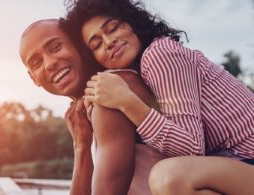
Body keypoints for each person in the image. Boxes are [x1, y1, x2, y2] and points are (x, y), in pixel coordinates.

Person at [61, 0, 254, 194]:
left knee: (166, 177)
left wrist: (127, 101)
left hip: (248, 155)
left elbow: (192, 150)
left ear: (131, 23)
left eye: (113, 28)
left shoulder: (159, 53)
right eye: (96, 44)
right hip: (237, 165)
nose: (109, 42)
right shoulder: (140, 77)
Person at [19, 19, 167, 195]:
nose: (50, 63)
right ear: (33, 78)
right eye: (37, 63)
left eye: (56, 47)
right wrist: (81, 146)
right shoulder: (87, 108)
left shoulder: (109, 93)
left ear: (80, 44)